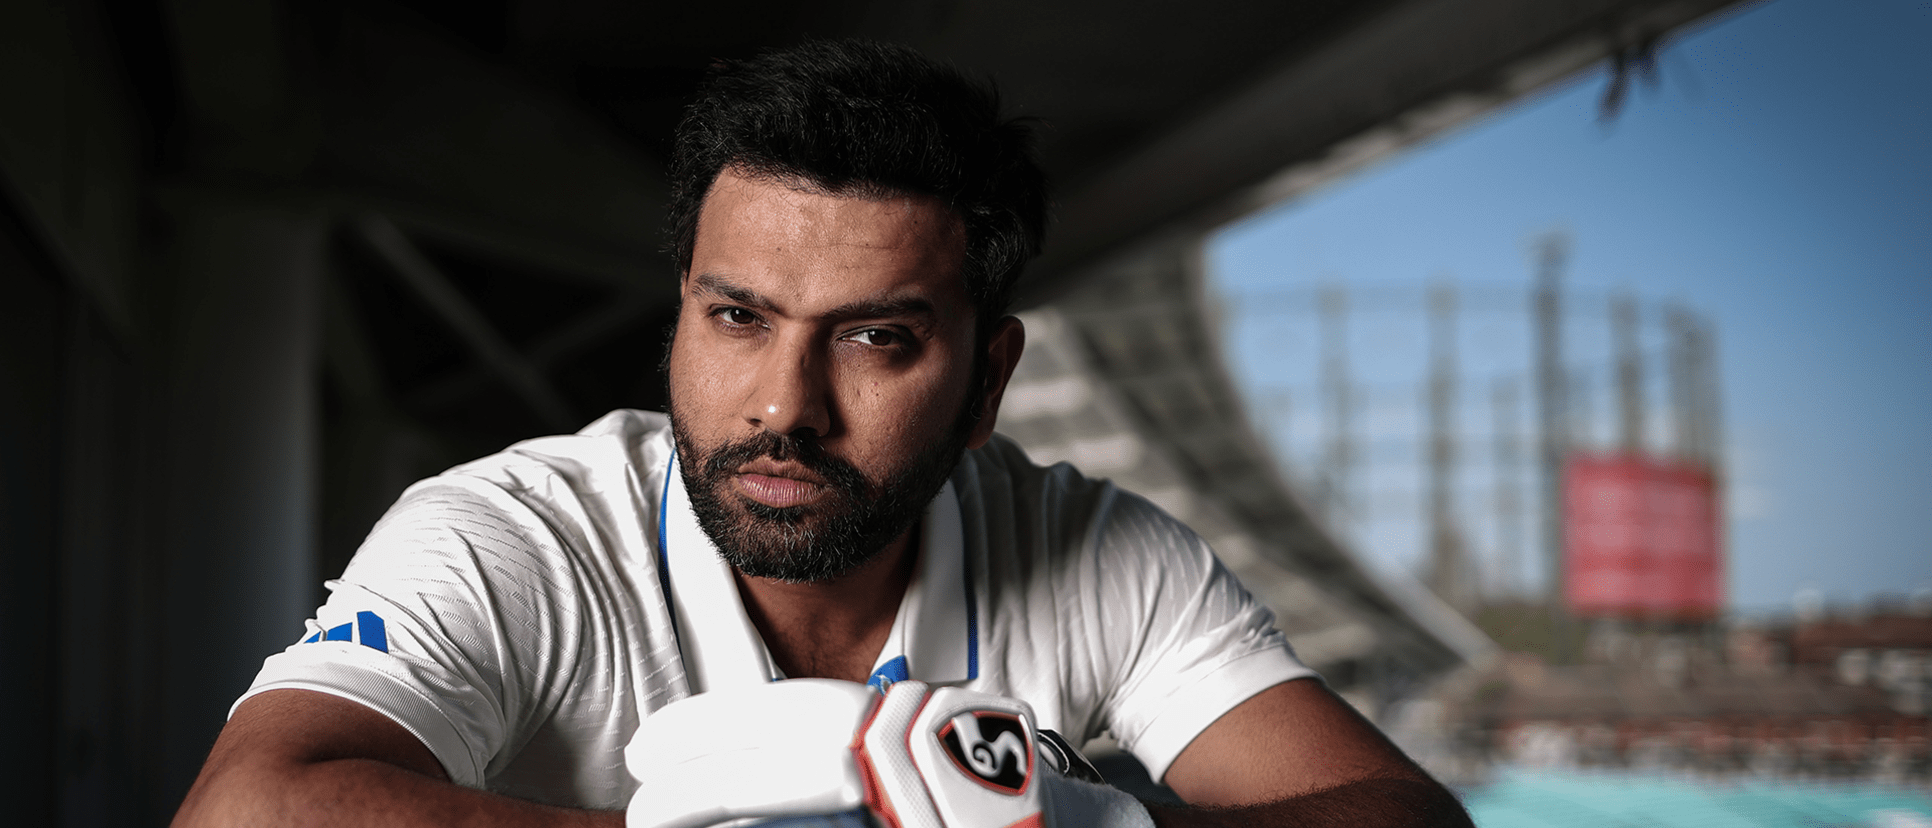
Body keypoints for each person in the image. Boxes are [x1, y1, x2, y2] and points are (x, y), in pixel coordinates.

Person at [173, 40, 1471, 828]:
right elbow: (247, 808)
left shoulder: (1098, 552)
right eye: (738, 315)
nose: (782, 402)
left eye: (877, 338)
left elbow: (1402, 815)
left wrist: (1086, 824)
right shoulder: (517, 533)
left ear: (986, 377)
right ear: (683, 311)